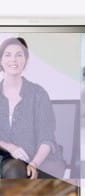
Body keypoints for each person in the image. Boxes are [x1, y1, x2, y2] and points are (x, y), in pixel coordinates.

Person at [0, 37, 65, 179]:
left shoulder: (39, 94)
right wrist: (9, 146)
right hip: (7, 159)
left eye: (19, 54)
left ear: (26, 60)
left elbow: (47, 138)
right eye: (8, 54)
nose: (13, 59)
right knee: (14, 170)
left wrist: (34, 163)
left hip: (41, 159)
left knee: (19, 172)